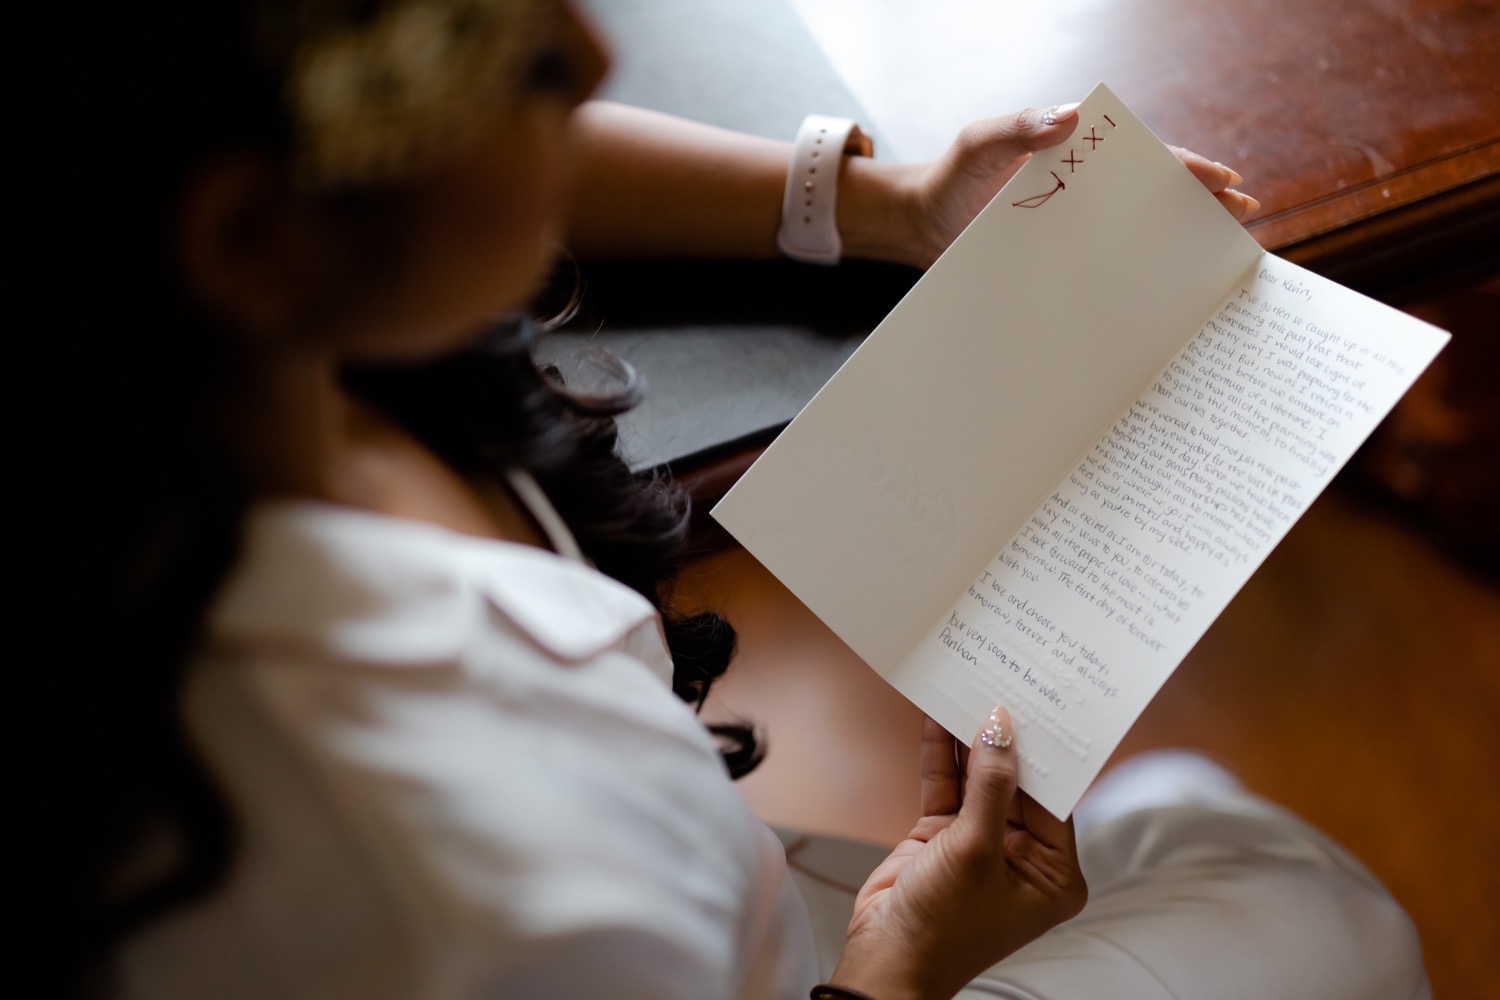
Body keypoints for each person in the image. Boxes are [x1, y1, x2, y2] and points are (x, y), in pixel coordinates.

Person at [15, 1, 1426, 997]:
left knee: (1186, 825)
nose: (591, 53)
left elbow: (484, 171)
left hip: (718, 884)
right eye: (486, 51)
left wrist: (887, 201)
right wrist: (903, 968)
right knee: (1325, 910)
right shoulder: (444, 889)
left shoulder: (188, 346)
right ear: (251, 236)